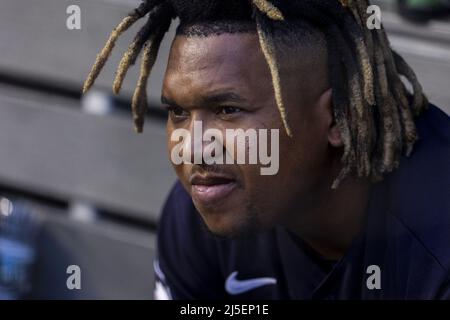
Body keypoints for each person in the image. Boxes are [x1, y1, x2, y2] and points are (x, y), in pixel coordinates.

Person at [83, 0, 450, 299]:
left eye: (228, 111)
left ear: (340, 116)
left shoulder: (437, 241)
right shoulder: (201, 213)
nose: (192, 149)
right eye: (178, 112)